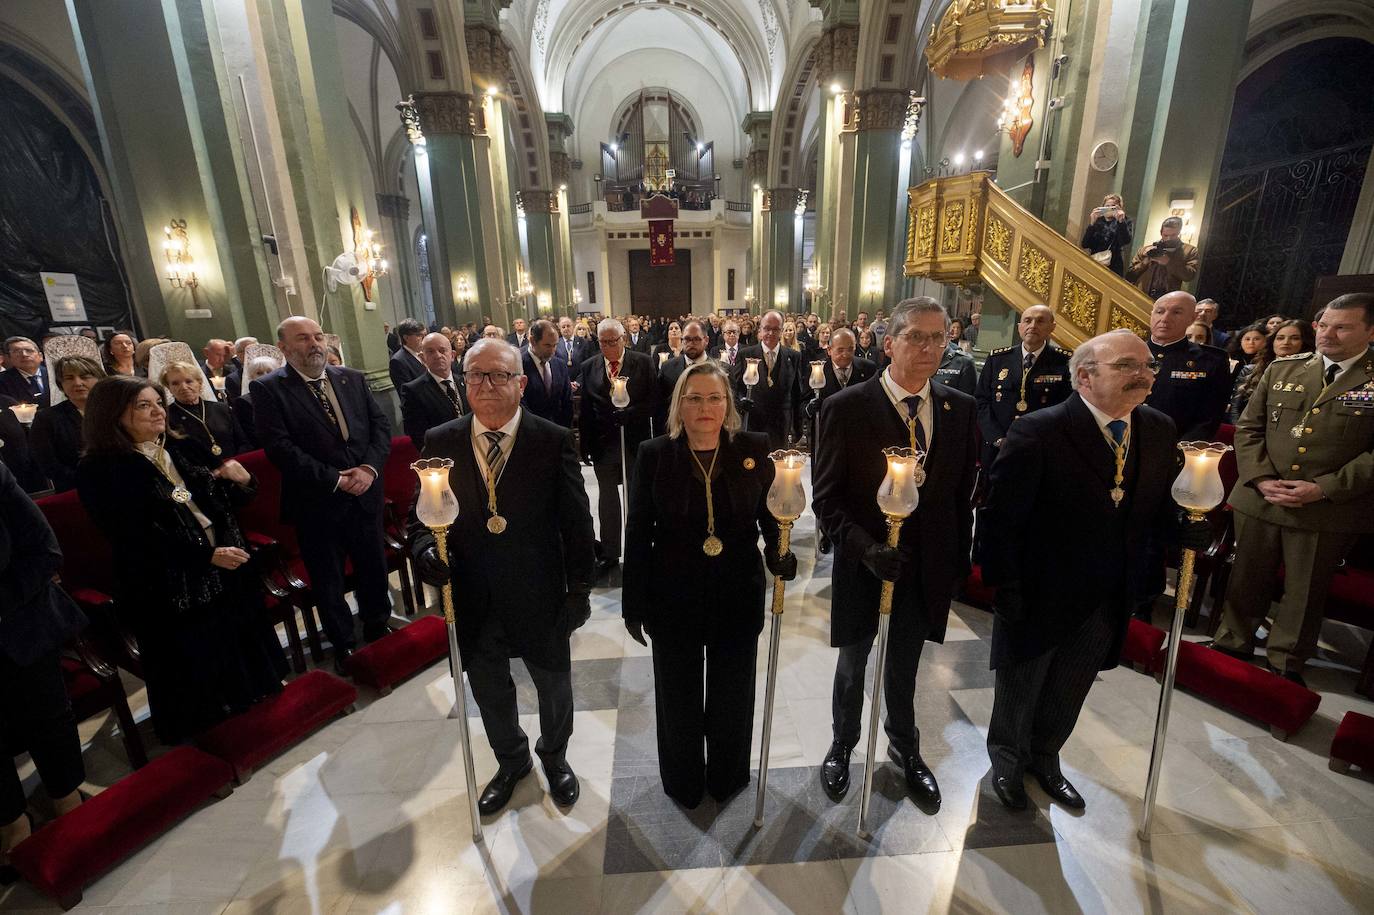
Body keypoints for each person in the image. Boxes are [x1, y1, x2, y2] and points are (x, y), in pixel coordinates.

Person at [979, 330, 1206, 811]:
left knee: (1073, 681)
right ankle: (1007, 759)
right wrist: (1005, 583)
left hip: (1110, 588)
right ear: (1084, 377)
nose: (1143, 375)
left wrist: (1184, 527)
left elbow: (1157, 503)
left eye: (1147, 366)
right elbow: (1001, 516)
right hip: (1041, 585)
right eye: (1126, 366)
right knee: (1023, 681)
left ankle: (1046, 756)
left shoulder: (1158, 428)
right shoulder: (1040, 430)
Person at [410, 339, 595, 813]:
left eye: (499, 375)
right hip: (473, 593)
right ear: (464, 381)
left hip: (538, 591)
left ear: (521, 383)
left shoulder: (551, 439)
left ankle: (555, 757)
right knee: (489, 689)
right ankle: (512, 761)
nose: (486, 385)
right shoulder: (442, 440)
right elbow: (422, 517)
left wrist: (580, 590)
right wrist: (426, 549)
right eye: (476, 375)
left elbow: (577, 522)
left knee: (554, 686)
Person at [812, 298, 978, 810]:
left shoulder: (958, 407)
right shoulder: (847, 407)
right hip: (865, 561)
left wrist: (956, 562)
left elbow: (960, 497)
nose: (929, 348)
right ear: (889, 343)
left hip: (924, 565)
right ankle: (843, 742)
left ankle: (904, 746)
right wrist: (865, 549)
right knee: (853, 661)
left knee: (905, 664)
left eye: (938, 338)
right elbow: (826, 498)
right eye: (916, 337)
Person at [78, 376, 287, 743]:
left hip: (226, 560)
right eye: (144, 405)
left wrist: (244, 481)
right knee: (197, 659)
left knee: (239, 635)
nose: (158, 411)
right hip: (166, 580)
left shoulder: (184, 446)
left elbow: (230, 500)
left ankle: (251, 700)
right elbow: (132, 536)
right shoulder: (101, 469)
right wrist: (205, 556)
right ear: (112, 414)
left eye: (159, 402)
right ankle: (213, 728)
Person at [622, 361, 795, 806]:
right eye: (695, 398)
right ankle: (682, 781)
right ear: (679, 405)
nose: (705, 407)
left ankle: (727, 776)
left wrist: (779, 552)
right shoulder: (654, 454)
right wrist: (633, 602)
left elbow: (771, 515)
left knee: (732, 694)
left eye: (715, 398)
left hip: (737, 591)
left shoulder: (753, 447)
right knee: (677, 696)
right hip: (672, 593)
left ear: (728, 404)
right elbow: (638, 531)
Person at [1209, 294, 1374, 685]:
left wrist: (1323, 488)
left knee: (1305, 589)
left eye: (1342, 327)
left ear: (1370, 331)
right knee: (1246, 576)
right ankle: (1232, 641)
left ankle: (1286, 660)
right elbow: (1249, 428)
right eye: (1323, 325)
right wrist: (1262, 478)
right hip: (1261, 495)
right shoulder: (1285, 368)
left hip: (1327, 505)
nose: (1327, 334)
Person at [251, 317, 393, 673]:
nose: (314, 344)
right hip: (317, 501)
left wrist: (369, 469)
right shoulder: (269, 389)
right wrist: (334, 479)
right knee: (328, 578)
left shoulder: (351, 378)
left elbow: (380, 426)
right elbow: (280, 448)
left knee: (373, 565)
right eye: (303, 338)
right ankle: (343, 643)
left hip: (365, 492)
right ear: (283, 347)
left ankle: (377, 626)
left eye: (318, 336)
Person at [0, 461, 86, 868]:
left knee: (49, 717)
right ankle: (13, 823)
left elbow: (44, 550)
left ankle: (66, 798)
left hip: (21, 619)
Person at [577, 318, 655, 580]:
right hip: (603, 444)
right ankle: (610, 553)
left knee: (635, 498)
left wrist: (631, 413)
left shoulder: (643, 362)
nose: (608, 346)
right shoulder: (589, 366)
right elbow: (586, 410)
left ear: (623, 339)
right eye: (603, 342)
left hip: (633, 442)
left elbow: (653, 401)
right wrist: (585, 444)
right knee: (608, 499)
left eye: (613, 341)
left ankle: (637, 548)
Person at [975, 304, 1072, 471]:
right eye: (1027, 320)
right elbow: (981, 401)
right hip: (997, 450)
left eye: (1040, 321)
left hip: (1041, 451)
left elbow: (1068, 408)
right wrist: (997, 438)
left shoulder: (1065, 362)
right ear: (1019, 327)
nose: (1032, 326)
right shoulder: (997, 359)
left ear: (1052, 327)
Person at [1143, 291, 1231, 443]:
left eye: (1176, 312)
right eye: (1160, 312)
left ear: (1192, 318)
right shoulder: (1126, 352)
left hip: (1174, 446)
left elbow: (1209, 419)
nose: (1165, 318)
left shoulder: (1211, 361)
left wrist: (1181, 450)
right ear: (1151, 315)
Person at [731, 311, 807, 449]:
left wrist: (798, 427)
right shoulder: (745, 354)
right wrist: (741, 402)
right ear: (760, 330)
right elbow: (735, 388)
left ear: (781, 331)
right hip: (753, 422)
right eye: (767, 328)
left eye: (775, 329)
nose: (771, 333)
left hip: (780, 425)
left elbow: (796, 394)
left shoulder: (793, 356)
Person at [32, 355, 104, 492]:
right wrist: (89, 481)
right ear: (61, 384)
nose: (77, 383)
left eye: (85, 376)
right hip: (76, 489)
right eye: (69, 378)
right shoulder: (47, 418)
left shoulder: (116, 410)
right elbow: (48, 464)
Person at [1230, 319, 1314, 420]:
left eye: (1295, 338)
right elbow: (1235, 408)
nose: (1286, 342)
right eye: (1280, 338)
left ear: (1305, 342)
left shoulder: (1313, 373)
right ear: (1272, 341)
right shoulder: (1251, 371)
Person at [161, 362, 247, 458]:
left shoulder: (222, 408)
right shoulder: (166, 417)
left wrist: (236, 461)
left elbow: (243, 442)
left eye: (189, 381)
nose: (183, 387)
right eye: (175, 383)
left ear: (199, 383)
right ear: (169, 388)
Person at [400, 332, 468, 451]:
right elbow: (418, 436)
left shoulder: (465, 382)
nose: (437, 356)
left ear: (452, 355)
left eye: (442, 350)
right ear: (422, 358)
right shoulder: (413, 391)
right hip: (442, 454)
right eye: (430, 352)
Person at [1125, 216, 1198, 298]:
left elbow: (1189, 276)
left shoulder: (1190, 251)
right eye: (1165, 235)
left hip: (1168, 297)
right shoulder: (1146, 249)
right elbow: (1130, 275)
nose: (1169, 238)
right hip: (1142, 295)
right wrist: (1146, 261)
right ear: (1161, 232)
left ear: (1179, 232)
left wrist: (1169, 262)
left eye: (1173, 235)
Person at [521, 319, 573, 427]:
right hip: (531, 430)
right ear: (532, 341)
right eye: (548, 345)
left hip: (559, 430)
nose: (553, 350)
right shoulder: (518, 365)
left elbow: (567, 401)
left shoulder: (560, 365)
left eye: (555, 345)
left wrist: (564, 431)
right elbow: (522, 405)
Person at [229, 356, 279, 451]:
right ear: (251, 377)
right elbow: (253, 435)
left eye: (269, 371)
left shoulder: (283, 396)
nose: (265, 375)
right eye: (259, 373)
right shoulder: (244, 402)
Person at [1079, 194, 1134, 276]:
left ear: (1119, 208)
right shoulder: (1098, 221)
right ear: (1102, 207)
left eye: (1113, 207)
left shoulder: (1125, 221)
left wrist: (1121, 222)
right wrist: (1092, 224)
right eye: (1107, 206)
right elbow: (1085, 244)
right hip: (1096, 263)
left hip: (1114, 266)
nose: (1109, 209)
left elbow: (1125, 241)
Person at [0, 337, 50, 408]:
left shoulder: (55, 374)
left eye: (29, 350)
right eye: (17, 351)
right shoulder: (2, 381)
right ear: (9, 358)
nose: (24, 354)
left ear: (41, 356)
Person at [388, 318, 426, 390]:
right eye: (419, 335)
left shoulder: (426, 353)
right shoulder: (397, 361)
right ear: (406, 338)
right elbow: (405, 390)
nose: (424, 338)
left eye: (425, 335)